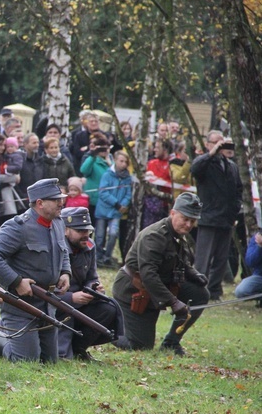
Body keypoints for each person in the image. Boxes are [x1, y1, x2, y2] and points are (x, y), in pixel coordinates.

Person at [0, 178, 70, 362]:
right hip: (20, 306)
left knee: (50, 361)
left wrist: (65, 271)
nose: (62, 203)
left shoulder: (57, 222)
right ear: (40, 203)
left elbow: (63, 249)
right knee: (25, 359)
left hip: (47, 304)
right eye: (56, 199)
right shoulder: (17, 227)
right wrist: (16, 281)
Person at [111, 193, 209, 355]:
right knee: (139, 345)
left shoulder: (177, 233)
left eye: (192, 221)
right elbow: (149, 275)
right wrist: (174, 302)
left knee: (199, 293)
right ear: (172, 213)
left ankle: (171, 342)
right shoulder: (155, 236)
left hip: (157, 287)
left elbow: (177, 259)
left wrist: (193, 273)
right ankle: (103, 332)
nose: (189, 224)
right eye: (185, 218)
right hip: (134, 291)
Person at [55, 207, 121, 361]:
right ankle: (62, 352)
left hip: (80, 302)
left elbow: (91, 276)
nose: (86, 235)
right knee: (67, 311)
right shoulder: (55, 248)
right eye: (80, 231)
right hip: (58, 303)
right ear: (66, 230)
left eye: (88, 230)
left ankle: (78, 348)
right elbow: (44, 288)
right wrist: (71, 297)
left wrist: (94, 287)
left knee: (108, 309)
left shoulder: (89, 246)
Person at [190, 132, 243, 300]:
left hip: (226, 219)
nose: (221, 145)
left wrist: (234, 211)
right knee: (203, 260)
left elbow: (238, 190)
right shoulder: (205, 162)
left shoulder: (231, 166)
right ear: (208, 144)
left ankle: (213, 291)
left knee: (221, 259)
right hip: (209, 217)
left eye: (223, 143)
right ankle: (198, 290)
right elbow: (195, 169)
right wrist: (212, 153)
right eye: (216, 142)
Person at [94, 151, 132, 266]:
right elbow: (103, 192)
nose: (124, 164)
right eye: (121, 161)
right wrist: (116, 203)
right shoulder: (107, 175)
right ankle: (98, 256)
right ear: (115, 160)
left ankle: (107, 257)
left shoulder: (127, 178)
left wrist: (123, 204)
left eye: (126, 162)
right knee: (100, 235)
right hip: (103, 210)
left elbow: (128, 193)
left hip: (116, 212)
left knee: (113, 234)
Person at [235, 231, 262, 302]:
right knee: (241, 291)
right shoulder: (257, 237)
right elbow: (250, 262)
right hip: (260, 277)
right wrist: (259, 246)